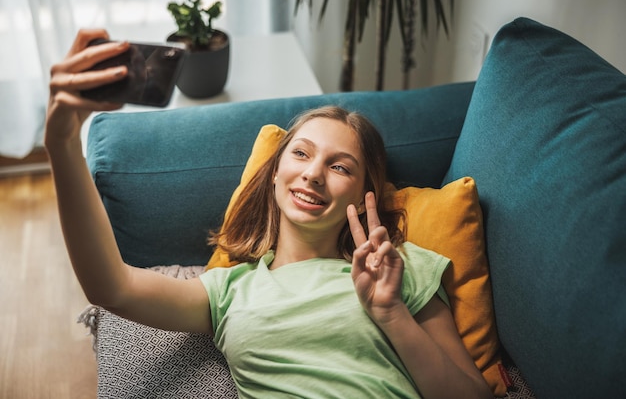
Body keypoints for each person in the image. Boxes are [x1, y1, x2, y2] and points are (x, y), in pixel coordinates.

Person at [45, 29, 492, 399]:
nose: (314, 174)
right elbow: (111, 287)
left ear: (363, 194)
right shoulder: (229, 290)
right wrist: (62, 143)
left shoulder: (399, 269)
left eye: (339, 167)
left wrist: (392, 312)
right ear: (275, 174)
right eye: (301, 153)